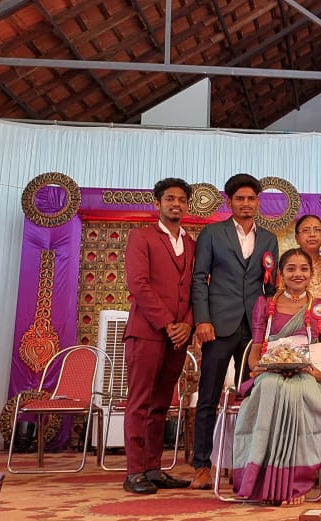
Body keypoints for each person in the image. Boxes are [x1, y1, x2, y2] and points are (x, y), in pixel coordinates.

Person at [232, 249, 321, 505]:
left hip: (307, 375)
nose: (297, 274)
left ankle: (294, 484)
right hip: (270, 373)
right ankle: (261, 482)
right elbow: (256, 352)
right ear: (281, 274)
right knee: (270, 387)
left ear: (311, 274)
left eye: (303, 269)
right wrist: (263, 365)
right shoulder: (265, 305)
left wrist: (314, 371)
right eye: (291, 269)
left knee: (299, 394)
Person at [189, 173, 279, 489]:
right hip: (217, 326)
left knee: (252, 398)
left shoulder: (268, 239)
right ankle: (202, 466)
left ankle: (246, 465)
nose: (246, 203)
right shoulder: (213, 233)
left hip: (254, 330)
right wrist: (202, 320)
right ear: (230, 202)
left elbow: (270, 286)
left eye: (251, 198)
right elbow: (199, 278)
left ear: (258, 202)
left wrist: (269, 327)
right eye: (240, 198)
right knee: (208, 397)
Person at [121, 178, 196, 494]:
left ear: (187, 205)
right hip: (147, 332)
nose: (176, 204)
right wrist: (168, 323)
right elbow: (138, 284)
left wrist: (187, 324)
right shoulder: (141, 237)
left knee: (161, 404)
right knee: (140, 402)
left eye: (181, 199)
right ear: (157, 203)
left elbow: (196, 289)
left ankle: (152, 468)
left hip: (178, 337)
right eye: (169, 199)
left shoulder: (191, 244)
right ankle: (134, 472)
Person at [295, 214, 321, 300]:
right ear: (297, 238)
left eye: (317, 230)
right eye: (306, 230)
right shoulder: (288, 266)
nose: (312, 234)